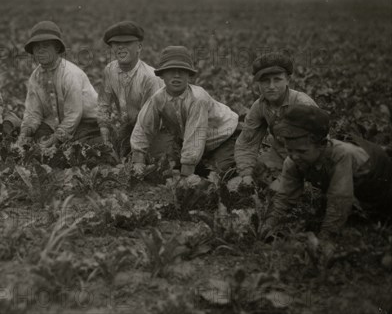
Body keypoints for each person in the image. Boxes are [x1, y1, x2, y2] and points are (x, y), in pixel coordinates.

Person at [267, 105, 392, 239]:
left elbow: (339, 200)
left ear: (321, 145)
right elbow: (284, 198)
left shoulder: (341, 155)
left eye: (302, 151)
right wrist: (267, 228)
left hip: (382, 191)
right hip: (355, 192)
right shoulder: (293, 161)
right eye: (290, 150)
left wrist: (326, 237)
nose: (294, 156)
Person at [130, 46, 239, 177]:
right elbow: (143, 127)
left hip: (224, 136)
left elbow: (195, 136)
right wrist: (137, 161)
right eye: (171, 71)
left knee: (216, 174)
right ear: (162, 75)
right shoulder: (158, 98)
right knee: (161, 164)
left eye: (182, 71)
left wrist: (185, 177)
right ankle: (198, 163)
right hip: (195, 141)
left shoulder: (198, 99)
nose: (176, 76)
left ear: (189, 75)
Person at [235, 52, 317, 181]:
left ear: (287, 80)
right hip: (280, 154)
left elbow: (319, 147)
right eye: (265, 81)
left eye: (277, 80)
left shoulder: (302, 104)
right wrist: (246, 175)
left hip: (308, 159)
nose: (271, 87)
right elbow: (246, 143)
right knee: (257, 172)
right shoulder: (259, 106)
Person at [18, 21, 100, 147]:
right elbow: (33, 113)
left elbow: (74, 114)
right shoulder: (35, 77)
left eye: (45, 45)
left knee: (78, 145)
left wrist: (55, 139)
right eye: (36, 47)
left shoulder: (70, 74)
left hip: (88, 121)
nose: (40, 50)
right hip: (56, 121)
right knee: (35, 140)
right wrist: (24, 135)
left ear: (56, 48)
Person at [97, 21, 164, 156]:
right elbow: (103, 105)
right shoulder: (109, 70)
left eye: (127, 43)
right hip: (128, 126)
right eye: (116, 44)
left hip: (155, 131)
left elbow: (150, 122)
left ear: (139, 47)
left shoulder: (150, 78)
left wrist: (131, 147)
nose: (121, 48)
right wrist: (105, 137)